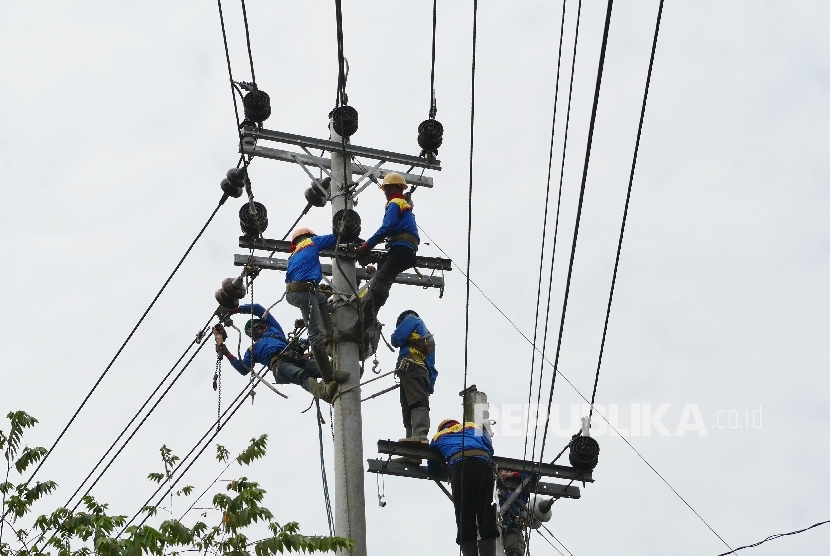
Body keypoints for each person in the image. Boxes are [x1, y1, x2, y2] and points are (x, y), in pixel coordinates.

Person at [213, 302, 329, 400]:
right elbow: (244, 369)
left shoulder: (274, 329)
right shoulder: (253, 349)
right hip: (279, 365)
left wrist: (234, 310)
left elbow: (258, 308)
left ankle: (334, 380)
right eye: (251, 330)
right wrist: (227, 353)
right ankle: (324, 393)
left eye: (256, 325)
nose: (255, 329)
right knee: (300, 375)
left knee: (325, 369)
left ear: (263, 324)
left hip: (296, 358)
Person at [285, 227, 349, 394]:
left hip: (295, 292)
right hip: (305, 292)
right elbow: (336, 237)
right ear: (307, 236)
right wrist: (347, 230)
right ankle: (329, 376)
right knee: (315, 335)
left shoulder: (293, 255)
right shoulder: (311, 242)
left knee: (320, 298)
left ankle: (330, 334)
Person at [427, 419, 498, 556]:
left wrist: (444, 467)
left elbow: (433, 469)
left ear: (442, 428)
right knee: (486, 513)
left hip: (460, 468)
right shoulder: (473, 428)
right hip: (483, 466)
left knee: (464, 515)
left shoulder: (438, 437)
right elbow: (490, 449)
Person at [357, 172, 419, 320]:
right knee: (382, 272)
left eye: (389, 188)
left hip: (401, 248)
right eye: (385, 189)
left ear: (399, 188)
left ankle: (364, 323)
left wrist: (366, 246)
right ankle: (368, 318)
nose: (386, 192)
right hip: (406, 249)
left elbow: (386, 228)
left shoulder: (395, 202)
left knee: (380, 282)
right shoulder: (402, 204)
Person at [390, 310, 437, 449]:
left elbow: (396, 339)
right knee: (409, 406)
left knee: (416, 403)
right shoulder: (427, 338)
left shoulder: (412, 319)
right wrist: (429, 386)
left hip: (411, 367)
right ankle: (411, 443)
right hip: (416, 371)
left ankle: (419, 436)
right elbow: (432, 368)